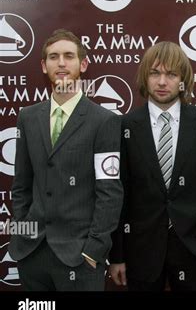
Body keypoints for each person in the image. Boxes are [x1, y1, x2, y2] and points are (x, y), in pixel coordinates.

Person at [9, 29, 123, 291]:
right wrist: (23, 233)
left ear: (82, 64)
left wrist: (94, 250)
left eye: (69, 56)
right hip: (32, 254)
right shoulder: (28, 117)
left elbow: (110, 193)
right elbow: (21, 184)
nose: (61, 63)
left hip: (80, 257)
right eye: (53, 57)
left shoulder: (104, 121)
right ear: (43, 65)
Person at [109, 42, 196, 291]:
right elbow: (120, 194)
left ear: (183, 78)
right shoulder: (125, 125)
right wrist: (117, 254)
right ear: (145, 77)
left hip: (195, 246)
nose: (162, 82)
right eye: (155, 73)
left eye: (171, 74)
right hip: (141, 250)